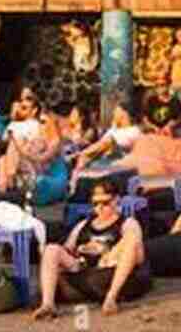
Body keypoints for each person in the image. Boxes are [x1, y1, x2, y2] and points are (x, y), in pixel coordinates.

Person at [33, 178, 150, 319]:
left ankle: (111, 297)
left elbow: (138, 254)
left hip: (110, 268)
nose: (99, 208)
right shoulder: (83, 224)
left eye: (105, 203)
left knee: (132, 240)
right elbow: (67, 250)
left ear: (116, 200)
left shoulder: (127, 223)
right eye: (95, 204)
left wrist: (107, 252)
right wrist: (80, 250)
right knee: (51, 249)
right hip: (84, 268)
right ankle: (48, 304)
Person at [73, 102, 142, 172]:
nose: (113, 113)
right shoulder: (115, 129)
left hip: (119, 169)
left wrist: (82, 153)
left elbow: (105, 144)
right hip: (104, 165)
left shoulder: (132, 131)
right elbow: (100, 144)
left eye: (116, 111)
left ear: (124, 113)